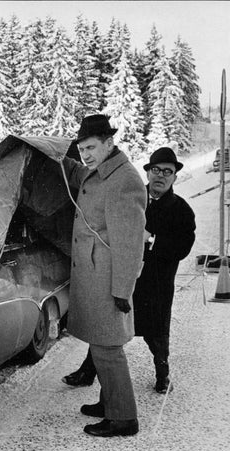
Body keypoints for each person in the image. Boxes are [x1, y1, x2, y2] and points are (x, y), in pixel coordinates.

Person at [62, 147, 196, 394]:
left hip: (156, 284)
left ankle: (162, 373)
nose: (161, 176)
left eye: (168, 172)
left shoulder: (181, 210)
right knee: (107, 328)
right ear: (148, 173)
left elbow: (183, 247)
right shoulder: (131, 194)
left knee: (156, 333)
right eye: (156, 170)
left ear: (175, 177)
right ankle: (88, 371)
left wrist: (152, 238)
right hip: (123, 278)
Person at [61, 114, 147, 437]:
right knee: (101, 344)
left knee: (108, 349)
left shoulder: (124, 180)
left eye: (91, 147)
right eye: (81, 149)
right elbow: (81, 172)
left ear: (110, 144)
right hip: (98, 277)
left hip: (109, 281)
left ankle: (123, 417)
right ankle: (108, 402)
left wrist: (123, 290)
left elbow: (130, 243)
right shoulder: (103, 172)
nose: (85, 155)